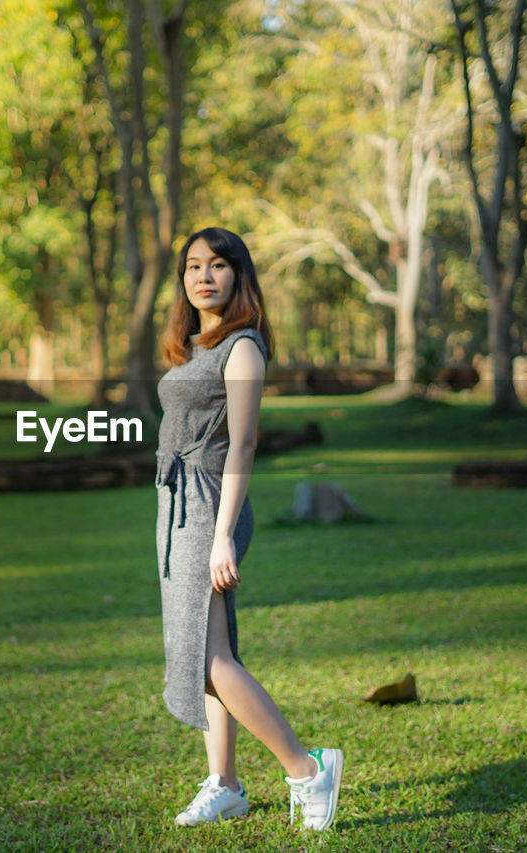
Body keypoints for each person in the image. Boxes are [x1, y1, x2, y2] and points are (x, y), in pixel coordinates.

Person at [154, 226, 343, 831]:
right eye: (192, 267)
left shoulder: (243, 348)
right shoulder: (195, 344)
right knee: (212, 651)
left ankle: (307, 769)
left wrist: (221, 536)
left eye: (216, 265)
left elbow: (243, 444)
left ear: (240, 275)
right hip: (177, 505)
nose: (202, 276)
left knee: (208, 659)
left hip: (211, 506)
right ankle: (226, 784)